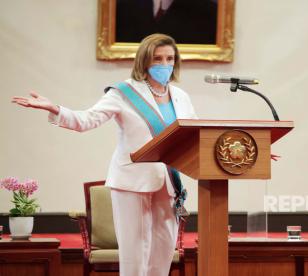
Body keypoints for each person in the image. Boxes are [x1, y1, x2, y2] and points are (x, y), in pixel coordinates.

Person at [11, 33, 197, 276]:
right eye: (157, 59)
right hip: (131, 182)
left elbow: (193, 135)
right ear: (144, 60)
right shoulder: (124, 93)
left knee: (163, 250)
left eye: (170, 59)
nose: (164, 65)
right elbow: (87, 120)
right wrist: (55, 109)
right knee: (135, 253)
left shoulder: (181, 97)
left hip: (169, 184)